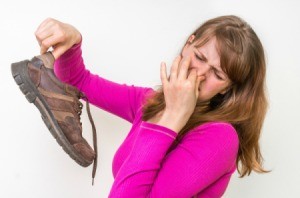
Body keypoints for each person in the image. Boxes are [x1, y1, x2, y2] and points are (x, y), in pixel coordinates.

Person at [35, 15, 268, 197]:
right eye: (199, 57)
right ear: (189, 43)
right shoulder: (150, 102)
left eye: (218, 73)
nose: (201, 74)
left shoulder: (220, 137)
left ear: (227, 88)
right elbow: (79, 81)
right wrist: (72, 41)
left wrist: (173, 117)